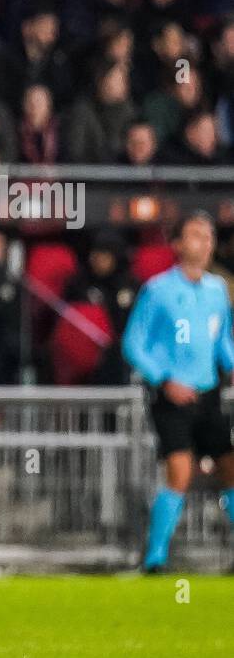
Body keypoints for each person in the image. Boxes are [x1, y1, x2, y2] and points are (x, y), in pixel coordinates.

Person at [123, 212, 234, 572]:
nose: (203, 244)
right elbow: (133, 343)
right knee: (180, 472)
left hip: (208, 392)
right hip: (171, 398)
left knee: (230, 468)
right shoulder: (158, 290)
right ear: (178, 244)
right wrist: (164, 379)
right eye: (195, 236)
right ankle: (155, 558)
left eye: (208, 237)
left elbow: (221, 342)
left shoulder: (218, 291)